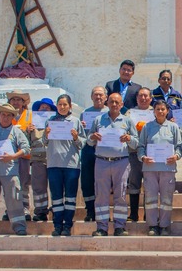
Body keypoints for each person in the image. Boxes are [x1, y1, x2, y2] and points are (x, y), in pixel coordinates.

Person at [87, 93, 139, 237]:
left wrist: (129, 138)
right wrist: (92, 137)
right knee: (101, 196)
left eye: (117, 102)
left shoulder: (127, 121)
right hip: (102, 161)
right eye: (111, 102)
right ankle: (102, 227)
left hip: (121, 162)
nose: (114, 104)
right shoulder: (98, 120)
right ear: (107, 103)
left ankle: (120, 226)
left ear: (122, 105)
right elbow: (89, 141)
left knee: (121, 195)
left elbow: (136, 143)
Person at [137, 100, 182, 236]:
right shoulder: (147, 127)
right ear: (154, 111)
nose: (161, 111)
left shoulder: (174, 127)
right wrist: (143, 157)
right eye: (158, 109)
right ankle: (152, 225)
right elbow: (140, 146)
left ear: (167, 111)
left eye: (163, 109)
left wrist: (176, 156)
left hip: (167, 169)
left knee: (166, 199)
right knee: (150, 198)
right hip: (150, 168)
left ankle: (164, 226)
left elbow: (180, 146)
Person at [44, 94, 86, 237]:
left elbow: (83, 143)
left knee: (70, 197)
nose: (62, 107)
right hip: (54, 163)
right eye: (60, 104)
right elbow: (44, 142)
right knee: (56, 197)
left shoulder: (75, 121)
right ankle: (57, 225)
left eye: (65, 105)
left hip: (71, 165)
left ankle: (67, 225)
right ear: (57, 106)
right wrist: (46, 134)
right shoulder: (50, 121)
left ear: (70, 106)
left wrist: (76, 137)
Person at [0, 103, 30, 236]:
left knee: (15, 198)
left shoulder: (16, 131)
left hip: (10, 172)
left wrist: (13, 156)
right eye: (3, 114)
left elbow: (26, 148)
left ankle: (19, 227)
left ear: (12, 117)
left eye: (9, 115)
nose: (6, 117)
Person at [79, 86, 109, 222]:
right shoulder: (85, 113)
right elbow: (81, 136)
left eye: (101, 95)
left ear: (106, 97)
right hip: (89, 151)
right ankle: (90, 210)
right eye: (95, 95)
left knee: (104, 182)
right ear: (91, 97)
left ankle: (104, 211)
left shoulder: (110, 112)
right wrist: (81, 126)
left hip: (106, 151)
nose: (98, 97)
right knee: (88, 181)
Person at [125, 87, 155, 221]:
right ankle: (133, 214)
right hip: (134, 152)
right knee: (134, 183)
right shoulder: (130, 113)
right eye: (140, 96)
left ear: (151, 98)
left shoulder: (156, 112)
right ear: (137, 98)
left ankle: (149, 215)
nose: (143, 98)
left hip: (152, 154)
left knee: (150, 185)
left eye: (146, 96)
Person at [26, 97, 57, 221]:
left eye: (47, 107)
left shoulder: (56, 122)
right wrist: (27, 132)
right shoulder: (31, 125)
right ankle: (40, 211)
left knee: (56, 187)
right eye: (42, 107)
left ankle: (56, 210)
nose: (44, 109)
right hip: (38, 160)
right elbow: (26, 143)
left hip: (54, 159)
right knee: (38, 187)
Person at [6, 89, 33, 221]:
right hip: (8, 157)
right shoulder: (6, 115)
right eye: (13, 99)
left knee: (23, 184)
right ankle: (10, 210)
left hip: (24, 156)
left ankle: (25, 209)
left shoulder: (30, 115)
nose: (16, 102)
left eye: (18, 100)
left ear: (23, 102)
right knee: (10, 185)